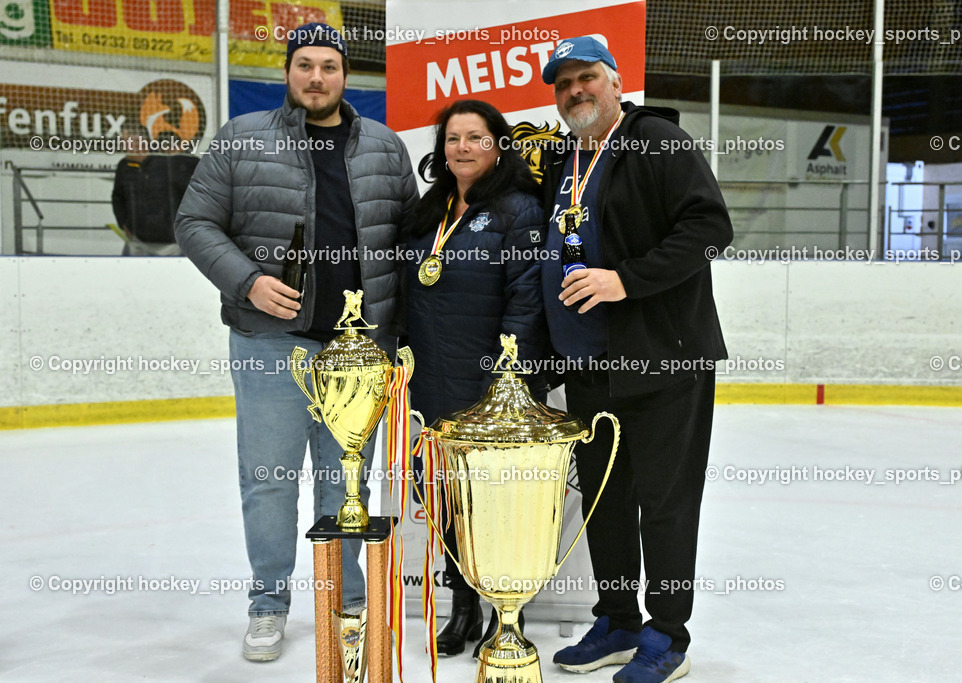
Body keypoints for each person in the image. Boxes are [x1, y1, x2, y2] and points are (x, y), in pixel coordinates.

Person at [174, 22, 417, 662]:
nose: (316, 77)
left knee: (348, 481)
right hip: (269, 344)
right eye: (304, 65)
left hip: (359, 351)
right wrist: (248, 281)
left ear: (345, 75)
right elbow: (194, 222)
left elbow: (411, 244)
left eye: (329, 66)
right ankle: (268, 603)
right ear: (288, 72)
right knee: (270, 478)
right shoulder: (241, 138)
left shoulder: (386, 149)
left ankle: (344, 592)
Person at [538, 37, 733, 683]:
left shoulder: (656, 142)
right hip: (590, 364)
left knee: (666, 503)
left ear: (614, 80)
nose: (575, 91)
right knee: (605, 500)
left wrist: (624, 279)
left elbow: (708, 228)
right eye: (563, 83)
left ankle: (666, 634)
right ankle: (618, 619)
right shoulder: (563, 158)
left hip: (663, 361)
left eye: (587, 77)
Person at [401, 99, 547, 658]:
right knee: (441, 498)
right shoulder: (429, 209)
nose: (462, 147)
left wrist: (507, 379)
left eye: (475, 137)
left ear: (498, 145)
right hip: (431, 382)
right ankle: (462, 604)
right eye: (453, 138)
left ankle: (506, 610)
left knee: (497, 502)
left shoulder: (519, 210)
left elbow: (526, 300)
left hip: (491, 384)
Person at [111, 124, 198, 255]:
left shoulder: (171, 164)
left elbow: (194, 197)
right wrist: (123, 223)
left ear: (140, 141)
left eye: (126, 141)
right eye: (122, 141)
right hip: (137, 241)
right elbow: (118, 197)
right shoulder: (124, 165)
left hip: (174, 243)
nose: (123, 145)